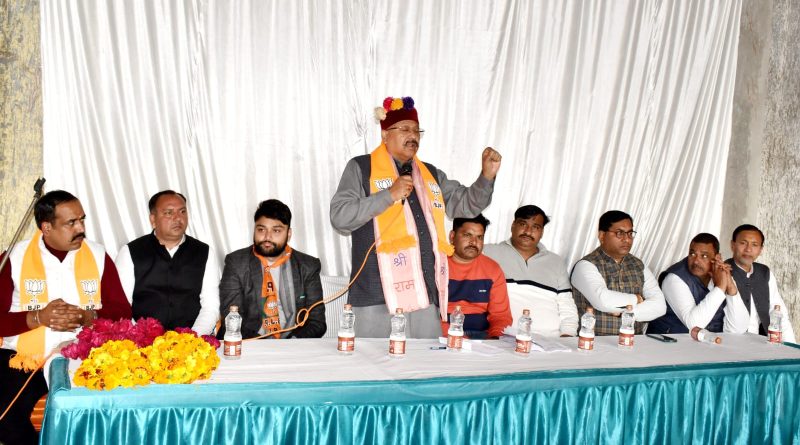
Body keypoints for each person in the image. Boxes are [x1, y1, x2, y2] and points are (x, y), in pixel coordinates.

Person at [330, 96, 501, 338]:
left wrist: (486, 177)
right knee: (375, 360)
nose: (413, 136)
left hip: (424, 294)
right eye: (404, 129)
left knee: (424, 359)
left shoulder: (430, 174)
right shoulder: (361, 167)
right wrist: (388, 195)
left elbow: (466, 206)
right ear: (385, 134)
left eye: (416, 130)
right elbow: (340, 217)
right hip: (375, 296)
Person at [0, 190, 131, 444]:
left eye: (82, 220)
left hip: (85, 354)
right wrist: (37, 318)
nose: (81, 228)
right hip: (24, 358)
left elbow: (123, 312)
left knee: (107, 413)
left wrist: (86, 317)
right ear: (46, 227)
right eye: (71, 223)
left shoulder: (97, 254)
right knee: (5, 416)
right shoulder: (15, 256)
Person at [217, 199, 325, 340]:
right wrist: (266, 346)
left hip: (293, 344)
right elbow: (231, 318)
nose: (267, 237)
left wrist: (291, 344)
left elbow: (317, 323)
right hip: (250, 343)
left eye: (276, 230)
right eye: (261, 230)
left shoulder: (308, 266)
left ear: (289, 234)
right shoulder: (236, 263)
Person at [115, 190, 220, 334]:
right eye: (169, 213)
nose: (178, 218)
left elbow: (211, 305)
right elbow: (121, 306)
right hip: (142, 341)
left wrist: (193, 338)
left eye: (182, 211)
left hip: (192, 341)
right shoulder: (130, 252)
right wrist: (141, 337)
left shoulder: (204, 252)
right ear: (153, 220)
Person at [483, 205, 578, 337]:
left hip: (551, 340)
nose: (528, 231)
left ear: (542, 232)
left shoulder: (556, 262)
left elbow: (566, 306)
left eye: (535, 227)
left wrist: (567, 336)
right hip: (505, 337)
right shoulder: (487, 253)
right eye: (523, 224)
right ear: (513, 226)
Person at [570, 210, 665, 335]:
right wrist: (637, 299)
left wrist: (624, 312)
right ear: (602, 236)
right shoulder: (585, 266)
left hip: (633, 342)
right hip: (593, 342)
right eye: (619, 233)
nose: (627, 239)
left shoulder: (638, 265)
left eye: (630, 233)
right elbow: (603, 300)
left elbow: (660, 306)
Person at [648, 233, 749, 334]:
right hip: (670, 341)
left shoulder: (720, 273)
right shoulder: (674, 279)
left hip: (708, 341)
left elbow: (738, 328)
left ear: (717, 258)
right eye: (692, 254)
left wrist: (731, 286)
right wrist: (720, 287)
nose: (696, 261)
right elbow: (694, 325)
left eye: (704, 256)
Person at [443, 215, 512, 339]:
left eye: (479, 237)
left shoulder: (492, 269)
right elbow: (427, 316)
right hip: (442, 334)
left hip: (482, 336)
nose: (474, 242)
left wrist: (495, 339)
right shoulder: (436, 265)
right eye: (467, 235)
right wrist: (459, 339)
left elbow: (501, 316)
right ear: (452, 237)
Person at [725, 224, 796, 343]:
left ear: (761, 250)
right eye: (743, 243)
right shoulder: (722, 271)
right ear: (732, 245)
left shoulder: (764, 273)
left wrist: (791, 346)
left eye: (754, 245)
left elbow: (779, 312)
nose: (748, 249)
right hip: (730, 341)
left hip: (761, 342)